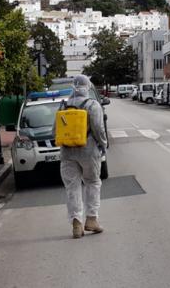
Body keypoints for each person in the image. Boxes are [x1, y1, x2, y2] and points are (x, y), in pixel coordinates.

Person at [59, 75, 108, 239]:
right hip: (88, 151)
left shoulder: (63, 106)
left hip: (67, 152)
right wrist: (103, 145)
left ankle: (76, 224)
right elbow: (99, 129)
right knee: (92, 182)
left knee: (72, 187)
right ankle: (92, 219)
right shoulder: (92, 105)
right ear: (87, 87)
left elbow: (55, 130)